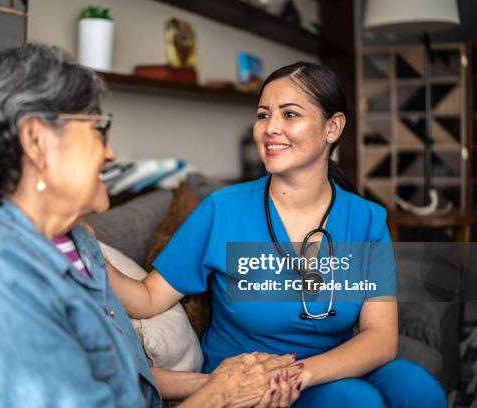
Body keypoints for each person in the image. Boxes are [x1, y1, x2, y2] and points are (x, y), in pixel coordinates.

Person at [0, 43, 303, 407]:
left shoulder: (76, 243)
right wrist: (219, 396)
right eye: (97, 130)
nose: (111, 152)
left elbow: (122, 381)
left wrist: (222, 381)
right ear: (36, 142)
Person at [107, 62, 447, 408]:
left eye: (289, 114)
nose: (270, 129)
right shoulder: (222, 210)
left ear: (332, 127)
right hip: (250, 378)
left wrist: (297, 374)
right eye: (263, 115)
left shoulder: (367, 220)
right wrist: (81, 244)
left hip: (327, 365)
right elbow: (148, 298)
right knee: (354, 400)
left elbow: (380, 337)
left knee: (419, 388)